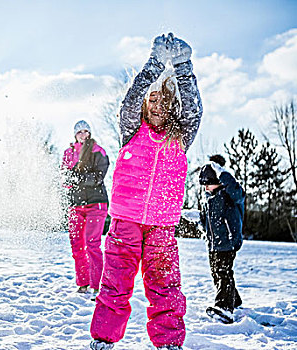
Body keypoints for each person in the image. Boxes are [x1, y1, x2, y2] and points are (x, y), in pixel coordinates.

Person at [89, 33, 202, 350]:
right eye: (152, 100)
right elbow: (132, 97)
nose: (157, 106)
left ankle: (168, 342)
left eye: (164, 100)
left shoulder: (180, 137)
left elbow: (194, 109)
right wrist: (154, 63)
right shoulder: (131, 130)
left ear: (173, 106)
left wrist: (183, 65)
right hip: (125, 221)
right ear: (144, 103)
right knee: (116, 283)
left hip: (162, 225)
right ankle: (104, 338)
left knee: (165, 286)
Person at [61, 120, 109, 301]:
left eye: (85, 131)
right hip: (75, 204)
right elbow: (64, 177)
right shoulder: (68, 153)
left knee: (92, 244)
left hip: (96, 203)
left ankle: (97, 286)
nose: (82, 134)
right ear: (74, 135)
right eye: (79, 132)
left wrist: (77, 177)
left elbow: (97, 177)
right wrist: (74, 177)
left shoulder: (98, 151)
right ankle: (83, 283)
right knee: (77, 245)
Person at [199, 155, 245, 324]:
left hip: (228, 241)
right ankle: (235, 300)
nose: (206, 187)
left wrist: (222, 172)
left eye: (208, 183)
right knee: (216, 273)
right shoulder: (209, 199)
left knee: (223, 272)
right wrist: (197, 220)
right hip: (213, 244)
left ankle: (225, 307)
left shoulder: (230, 193)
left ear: (218, 179)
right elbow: (207, 222)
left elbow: (238, 192)